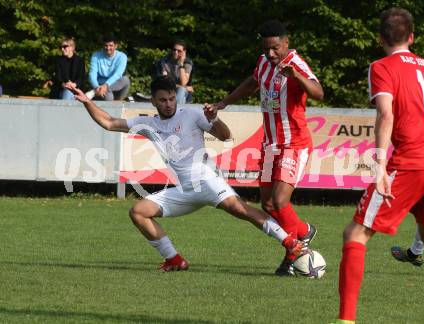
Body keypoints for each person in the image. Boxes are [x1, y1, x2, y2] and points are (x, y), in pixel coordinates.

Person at [67, 76, 303, 271]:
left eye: (171, 99)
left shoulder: (191, 114)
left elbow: (225, 135)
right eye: (163, 100)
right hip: (186, 190)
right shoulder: (147, 124)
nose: (169, 104)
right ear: (153, 101)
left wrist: (214, 118)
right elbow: (109, 122)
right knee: (138, 212)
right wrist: (85, 101)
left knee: (241, 210)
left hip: (206, 179)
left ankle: (291, 242)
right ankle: (174, 259)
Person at [336, 8, 424, 324]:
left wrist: (379, 165)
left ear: (381, 38)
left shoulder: (382, 67)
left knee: (355, 233)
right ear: (411, 36)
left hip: (410, 162)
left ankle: (345, 321)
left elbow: (385, 114)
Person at [208, 19, 324, 276]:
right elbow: (252, 82)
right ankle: (304, 232)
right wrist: (224, 102)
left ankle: (295, 252)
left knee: (281, 201)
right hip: (271, 145)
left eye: (275, 49)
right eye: (266, 49)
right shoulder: (263, 62)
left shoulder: (297, 64)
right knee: (269, 205)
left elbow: (318, 93)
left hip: (293, 143)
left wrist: (297, 77)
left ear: (286, 42)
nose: (270, 54)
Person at [86, 34, 130, 101]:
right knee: (109, 99)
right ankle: (98, 91)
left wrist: (106, 85)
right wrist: (96, 87)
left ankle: (95, 93)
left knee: (126, 80)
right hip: (100, 84)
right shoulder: (96, 56)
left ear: (116, 46)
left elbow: (118, 74)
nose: (108, 48)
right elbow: (92, 74)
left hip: (114, 83)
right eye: (106, 45)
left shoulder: (122, 57)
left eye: (111, 45)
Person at [156, 40, 194, 104]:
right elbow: (165, 83)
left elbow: (183, 82)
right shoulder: (164, 62)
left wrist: (181, 64)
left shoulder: (187, 63)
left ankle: (175, 110)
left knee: (181, 90)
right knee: (182, 89)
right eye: (174, 50)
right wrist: (184, 87)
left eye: (179, 51)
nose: (176, 52)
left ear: (184, 52)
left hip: (184, 95)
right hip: (167, 91)